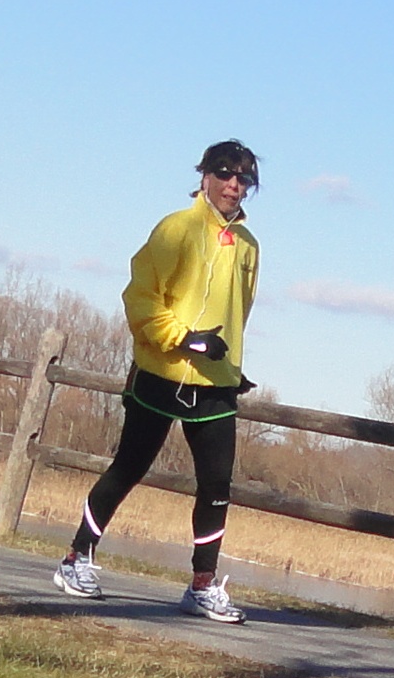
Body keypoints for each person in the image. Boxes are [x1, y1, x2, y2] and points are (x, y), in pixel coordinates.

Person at [53, 140, 261, 623]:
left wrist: (230, 365)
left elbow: (239, 311)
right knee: (129, 467)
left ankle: (202, 586)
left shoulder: (249, 246)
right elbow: (140, 297)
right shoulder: (176, 229)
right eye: (224, 173)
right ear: (204, 176)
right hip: (161, 372)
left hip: (215, 383)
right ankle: (75, 558)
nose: (233, 185)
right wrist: (184, 339)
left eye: (243, 178)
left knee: (217, 485)